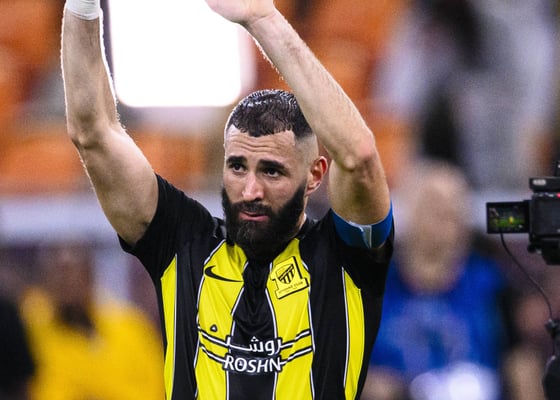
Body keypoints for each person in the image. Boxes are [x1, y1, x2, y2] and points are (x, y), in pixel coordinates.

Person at [61, 0, 393, 398]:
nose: (250, 191)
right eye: (237, 167)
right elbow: (93, 133)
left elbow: (358, 156)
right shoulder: (183, 244)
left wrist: (263, 19)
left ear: (315, 175)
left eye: (271, 171)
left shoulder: (345, 259)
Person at [364, 160, 506, 400]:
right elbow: (343, 370)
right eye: (436, 207)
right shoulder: (370, 284)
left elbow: (519, 362)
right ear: (409, 211)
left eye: (457, 210)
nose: (449, 218)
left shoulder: (489, 282)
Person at [20, 242, 165, 400]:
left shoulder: (131, 327)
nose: (66, 281)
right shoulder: (34, 333)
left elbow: (160, 383)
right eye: (59, 272)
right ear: (45, 280)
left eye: (72, 270)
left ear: (89, 274)